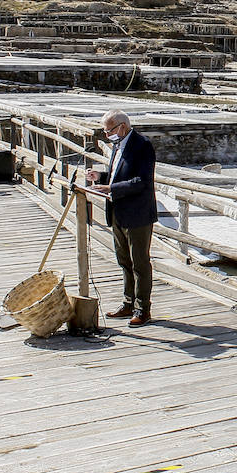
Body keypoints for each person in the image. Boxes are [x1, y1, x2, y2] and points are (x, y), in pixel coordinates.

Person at [86, 109, 158, 328]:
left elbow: (142, 181)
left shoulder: (142, 145)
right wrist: (101, 177)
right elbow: (120, 175)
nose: (107, 135)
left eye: (109, 131)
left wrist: (110, 187)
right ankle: (128, 302)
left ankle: (142, 309)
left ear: (122, 127)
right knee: (124, 260)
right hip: (118, 210)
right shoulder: (118, 145)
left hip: (137, 213)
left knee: (139, 263)